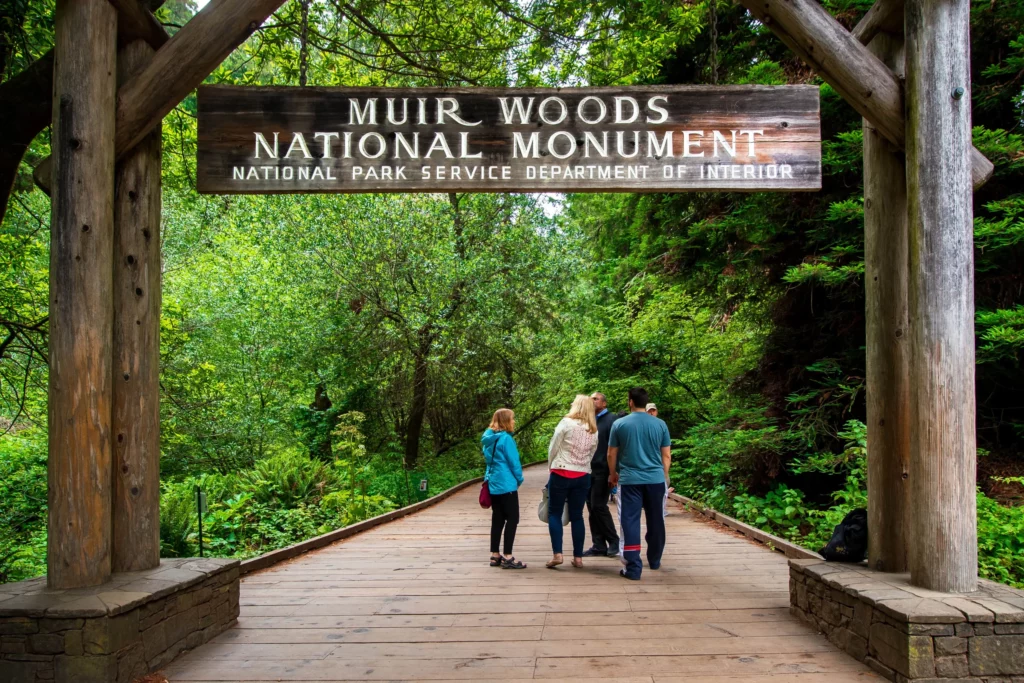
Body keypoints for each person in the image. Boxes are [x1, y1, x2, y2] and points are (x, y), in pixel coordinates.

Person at [608, 387, 671, 580]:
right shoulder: (660, 425)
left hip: (630, 481)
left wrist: (613, 474)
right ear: (646, 402)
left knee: (629, 521)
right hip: (656, 480)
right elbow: (666, 455)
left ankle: (633, 568)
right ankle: (654, 559)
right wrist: (663, 476)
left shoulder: (620, 424)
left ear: (630, 402)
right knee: (656, 520)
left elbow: (611, 453)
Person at [545, 394, 598, 569]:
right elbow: (592, 452)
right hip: (582, 475)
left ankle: (557, 554)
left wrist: (550, 465)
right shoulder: (593, 428)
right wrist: (584, 465)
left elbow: (554, 445)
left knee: (555, 513)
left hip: (561, 471)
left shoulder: (566, 423)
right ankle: (578, 558)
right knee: (577, 516)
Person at [482, 408, 526, 569]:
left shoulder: (488, 438)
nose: (514, 422)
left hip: (493, 482)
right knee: (513, 518)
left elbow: (489, 462)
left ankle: (495, 554)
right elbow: (514, 462)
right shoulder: (506, 439)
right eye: (512, 419)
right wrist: (519, 479)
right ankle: (508, 555)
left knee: (497, 518)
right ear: (506, 421)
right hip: (507, 483)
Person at [582, 392, 621, 558]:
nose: (592, 401)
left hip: (604, 470)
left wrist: (614, 472)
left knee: (599, 505)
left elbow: (616, 447)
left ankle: (614, 541)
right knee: (591, 506)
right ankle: (598, 544)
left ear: (604, 403)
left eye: (596, 399)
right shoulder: (589, 420)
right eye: (590, 399)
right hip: (588, 470)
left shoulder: (611, 420)